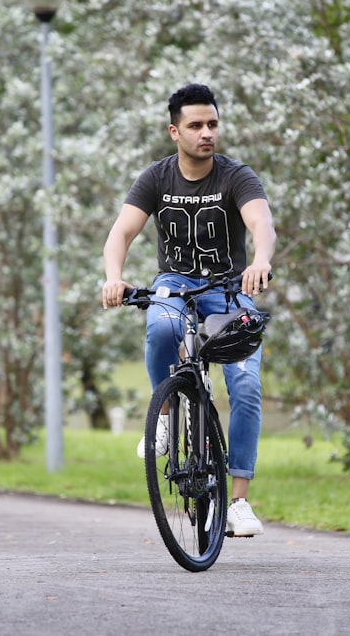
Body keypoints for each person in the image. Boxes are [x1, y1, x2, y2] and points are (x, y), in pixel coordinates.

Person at [101, 83, 276, 537]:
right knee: (160, 329)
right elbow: (121, 233)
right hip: (175, 286)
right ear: (174, 131)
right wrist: (113, 276)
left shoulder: (236, 176)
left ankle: (238, 501)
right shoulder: (157, 178)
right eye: (195, 125)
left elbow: (261, 221)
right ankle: (162, 418)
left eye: (212, 124)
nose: (206, 133)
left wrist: (260, 261)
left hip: (229, 291)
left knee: (245, 384)